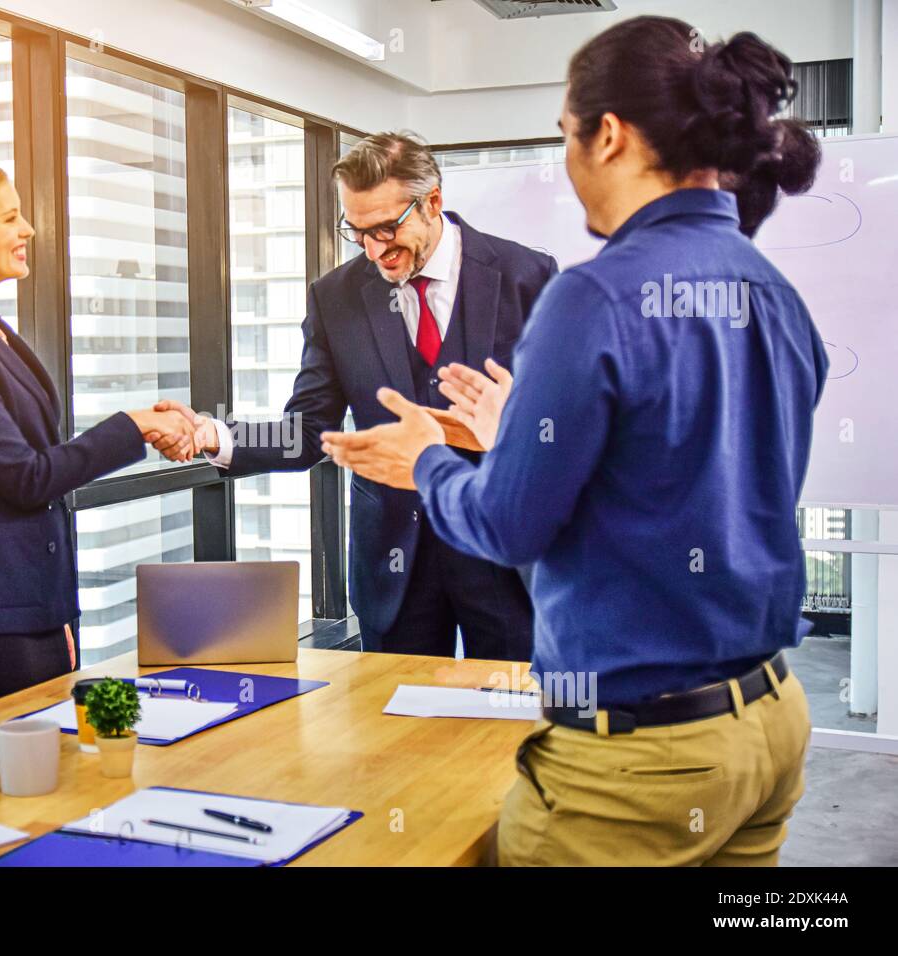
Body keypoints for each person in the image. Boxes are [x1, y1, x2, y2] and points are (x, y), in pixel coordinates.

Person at [322, 16, 825, 866]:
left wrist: (427, 460)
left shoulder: (594, 297)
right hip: (767, 726)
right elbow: (681, 474)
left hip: (639, 759)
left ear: (610, 136)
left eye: (565, 135)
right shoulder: (772, 292)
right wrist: (512, 432)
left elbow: (508, 526)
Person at [155, 131, 555, 661]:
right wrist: (213, 434)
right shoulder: (335, 297)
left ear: (433, 201)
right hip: (393, 564)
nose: (374, 249)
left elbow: (561, 427)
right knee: (396, 713)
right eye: (358, 231)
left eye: (388, 227)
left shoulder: (528, 277)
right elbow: (307, 432)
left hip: (502, 553)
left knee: (513, 708)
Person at [0, 149, 197, 716]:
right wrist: (135, 426)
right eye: (9, 218)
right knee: (9, 769)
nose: (27, 229)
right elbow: (25, 477)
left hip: (31, 605)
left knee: (56, 762)